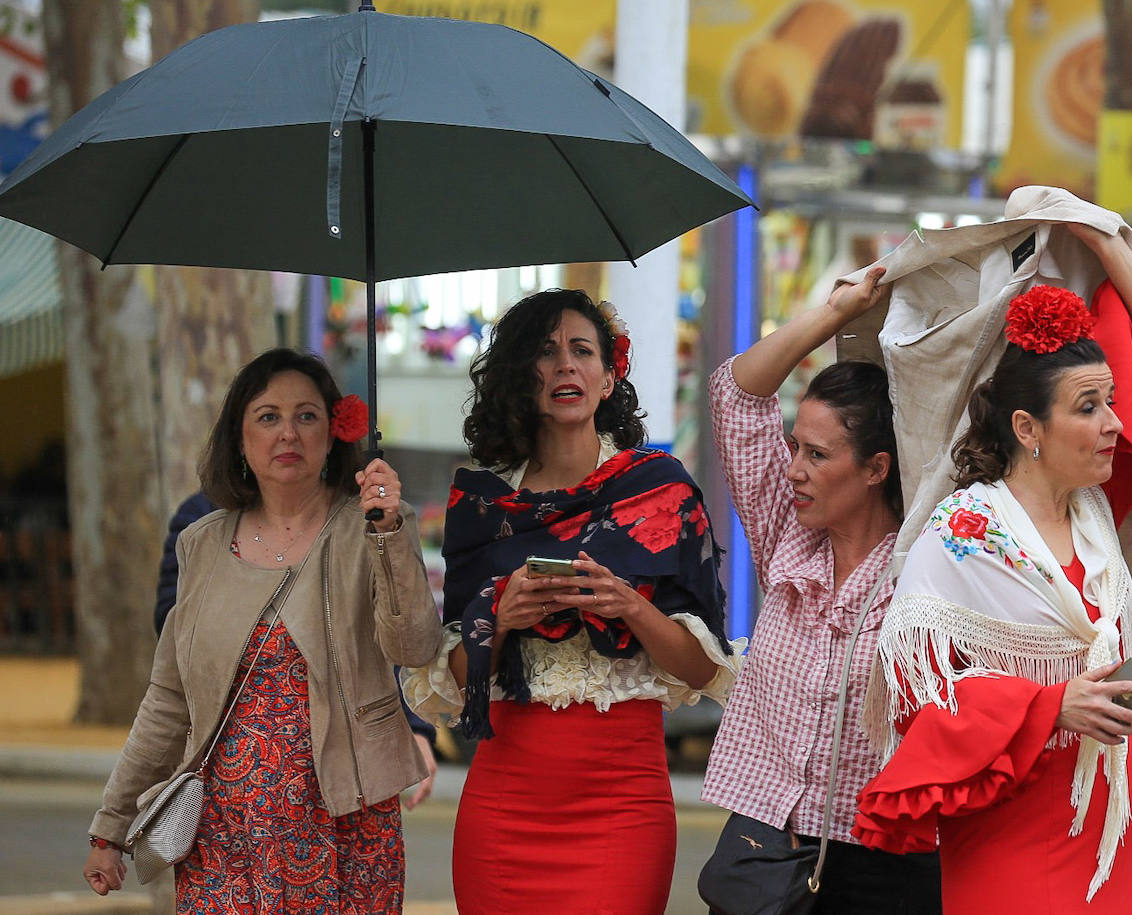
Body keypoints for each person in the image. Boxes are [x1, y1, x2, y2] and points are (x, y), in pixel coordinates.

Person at [852, 223, 1132, 913]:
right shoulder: (961, 535)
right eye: (1088, 406)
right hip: (1007, 824)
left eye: (1110, 402)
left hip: (1113, 823)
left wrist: (1107, 245)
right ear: (1027, 428)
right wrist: (1050, 704)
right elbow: (923, 702)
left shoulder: (1100, 511)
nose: (1114, 425)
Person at [401, 288, 739, 915]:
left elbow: (703, 669)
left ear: (609, 377)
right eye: (545, 353)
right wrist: (499, 622)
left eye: (582, 351)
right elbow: (449, 682)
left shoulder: (661, 492)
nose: (565, 366)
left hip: (621, 802)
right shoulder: (480, 507)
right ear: (518, 378)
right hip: (504, 800)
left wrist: (628, 606)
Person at [82, 348, 442, 912]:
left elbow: (414, 647)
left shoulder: (370, 528)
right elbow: (169, 699)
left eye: (306, 415)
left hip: (345, 820)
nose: (288, 433)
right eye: (267, 416)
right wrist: (111, 827)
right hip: (223, 829)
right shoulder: (201, 543)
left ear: (333, 433)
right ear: (240, 438)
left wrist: (390, 531)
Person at [700, 266, 942, 913]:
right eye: (793, 447)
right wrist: (836, 313)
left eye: (816, 454)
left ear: (875, 468)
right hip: (763, 842)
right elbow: (734, 394)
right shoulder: (787, 534)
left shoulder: (927, 567)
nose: (794, 469)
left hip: (885, 860)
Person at [154, 489, 440, 808]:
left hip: (344, 776)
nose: (288, 438)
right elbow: (173, 661)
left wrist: (413, 726)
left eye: (309, 435)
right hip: (227, 779)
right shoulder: (203, 522)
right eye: (266, 434)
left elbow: (395, 642)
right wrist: (110, 829)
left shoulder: (362, 522)